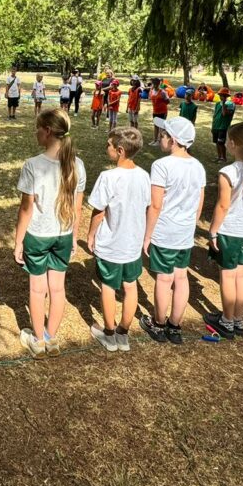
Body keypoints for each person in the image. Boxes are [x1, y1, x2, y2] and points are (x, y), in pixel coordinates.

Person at [14, 109, 86, 358]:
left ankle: (37, 340)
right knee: (57, 288)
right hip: (63, 235)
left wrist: (18, 241)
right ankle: (51, 338)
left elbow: (26, 208)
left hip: (38, 235)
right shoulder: (78, 165)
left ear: (46, 131)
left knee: (37, 289)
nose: (36, 133)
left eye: (37, 129)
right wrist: (74, 237)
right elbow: (77, 207)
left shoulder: (33, 165)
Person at [139, 117, 206, 345]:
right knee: (181, 276)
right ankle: (174, 326)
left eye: (164, 135)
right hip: (184, 233)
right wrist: (190, 225)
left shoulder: (161, 166)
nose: (161, 137)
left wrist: (147, 235)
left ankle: (158, 323)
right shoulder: (198, 166)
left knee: (164, 279)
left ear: (173, 140)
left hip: (164, 231)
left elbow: (155, 205)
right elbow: (199, 203)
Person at [86, 127, 151, 352]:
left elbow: (99, 211)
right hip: (132, 244)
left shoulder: (108, 177)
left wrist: (91, 234)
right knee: (130, 286)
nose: (107, 148)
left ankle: (110, 333)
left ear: (120, 150)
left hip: (112, 244)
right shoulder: (145, 176)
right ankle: (123, 333)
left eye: (109, 145)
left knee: (108, 287)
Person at [204, 123, 243, 339]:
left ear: (232, 144)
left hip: (230, 232)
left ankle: (227, 321)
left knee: (228, 277)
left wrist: (213, 231)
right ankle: (237, 318)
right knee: (242, 275)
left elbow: (223, 206)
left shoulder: (228, 172)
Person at [211, 87, 236, 162]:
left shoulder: (231, 104)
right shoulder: (218, 104)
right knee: (217, 143)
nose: (221, 97)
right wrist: (213, 125)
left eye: (223, 95)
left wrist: (224, 104)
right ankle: (219, 157)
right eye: (220, 95)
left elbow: (224, 114)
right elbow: (215, 115)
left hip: (223, 127)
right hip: (216, 126)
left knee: (221, 142)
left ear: (226, 96)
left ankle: (223, 157)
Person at [148, 78, 170, 146]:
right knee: (155, 126)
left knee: (161, 126)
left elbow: (168, 101)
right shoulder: (151, 91)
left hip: (162, 112)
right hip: (155, 111)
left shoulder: (163, 92)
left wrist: (161, 104)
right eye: (152, 83)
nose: (153, 85)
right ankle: (155, 140)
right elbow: (150, 98)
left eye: (154, 83)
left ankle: (159, 141)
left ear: (157, 84)